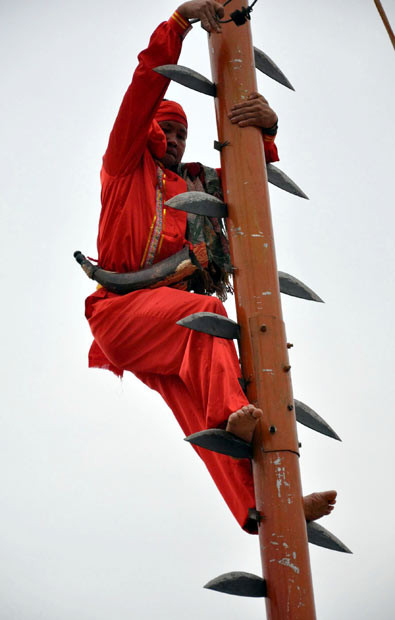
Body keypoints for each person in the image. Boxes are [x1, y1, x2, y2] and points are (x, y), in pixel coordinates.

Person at [84, 0, 336, 533]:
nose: (174, 139)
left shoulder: (199, 187)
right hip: (122, 314)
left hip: (165, 325)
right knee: (207, 318)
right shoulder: (124, 166)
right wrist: (177, 24)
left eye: (181, 133)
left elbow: (252, 171)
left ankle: (265, 508)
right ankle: (232, 418)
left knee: (204, 411)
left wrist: (267, 128)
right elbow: (143, 87)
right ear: (150, 131)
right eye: (166, 130)